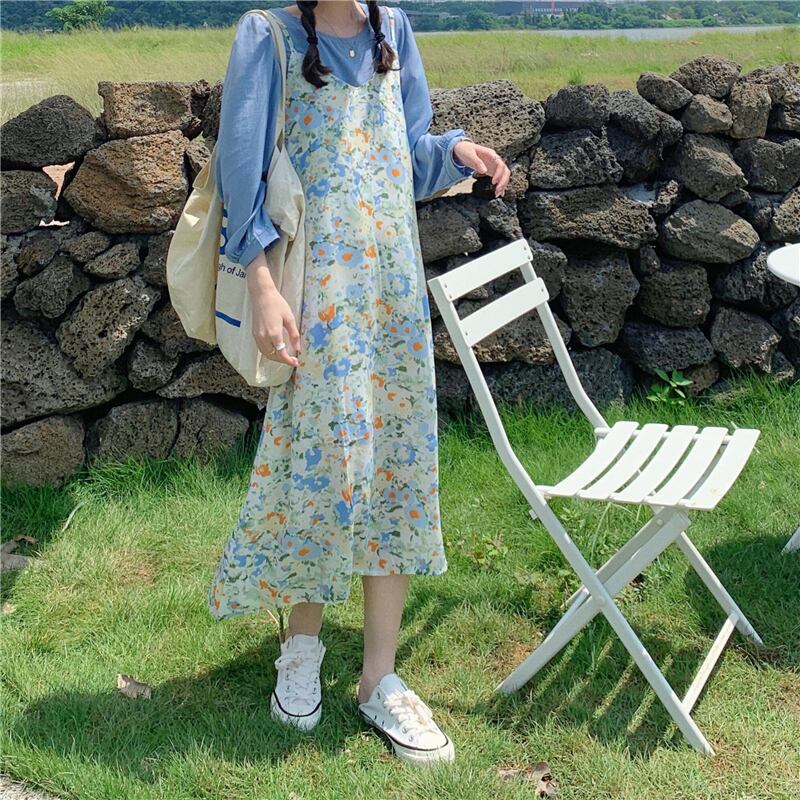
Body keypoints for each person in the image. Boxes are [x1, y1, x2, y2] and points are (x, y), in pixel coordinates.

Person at [208, 0, 510, 766]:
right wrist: (263, 287)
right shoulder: (267, 36)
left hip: (391, 294)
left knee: (397, 467)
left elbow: (403, 158)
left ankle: (380, 676)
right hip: (317, 298)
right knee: (319, 466)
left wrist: (455, 152)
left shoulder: (394, 31)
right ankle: (301, 649)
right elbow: (241, 171)